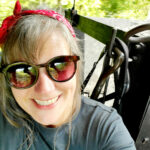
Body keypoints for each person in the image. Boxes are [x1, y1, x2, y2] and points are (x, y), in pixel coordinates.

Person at [0, 0, 136, 150]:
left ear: (77, 67)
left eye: (60, 65)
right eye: (22, 71)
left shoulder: (106, 130)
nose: (45, 89)